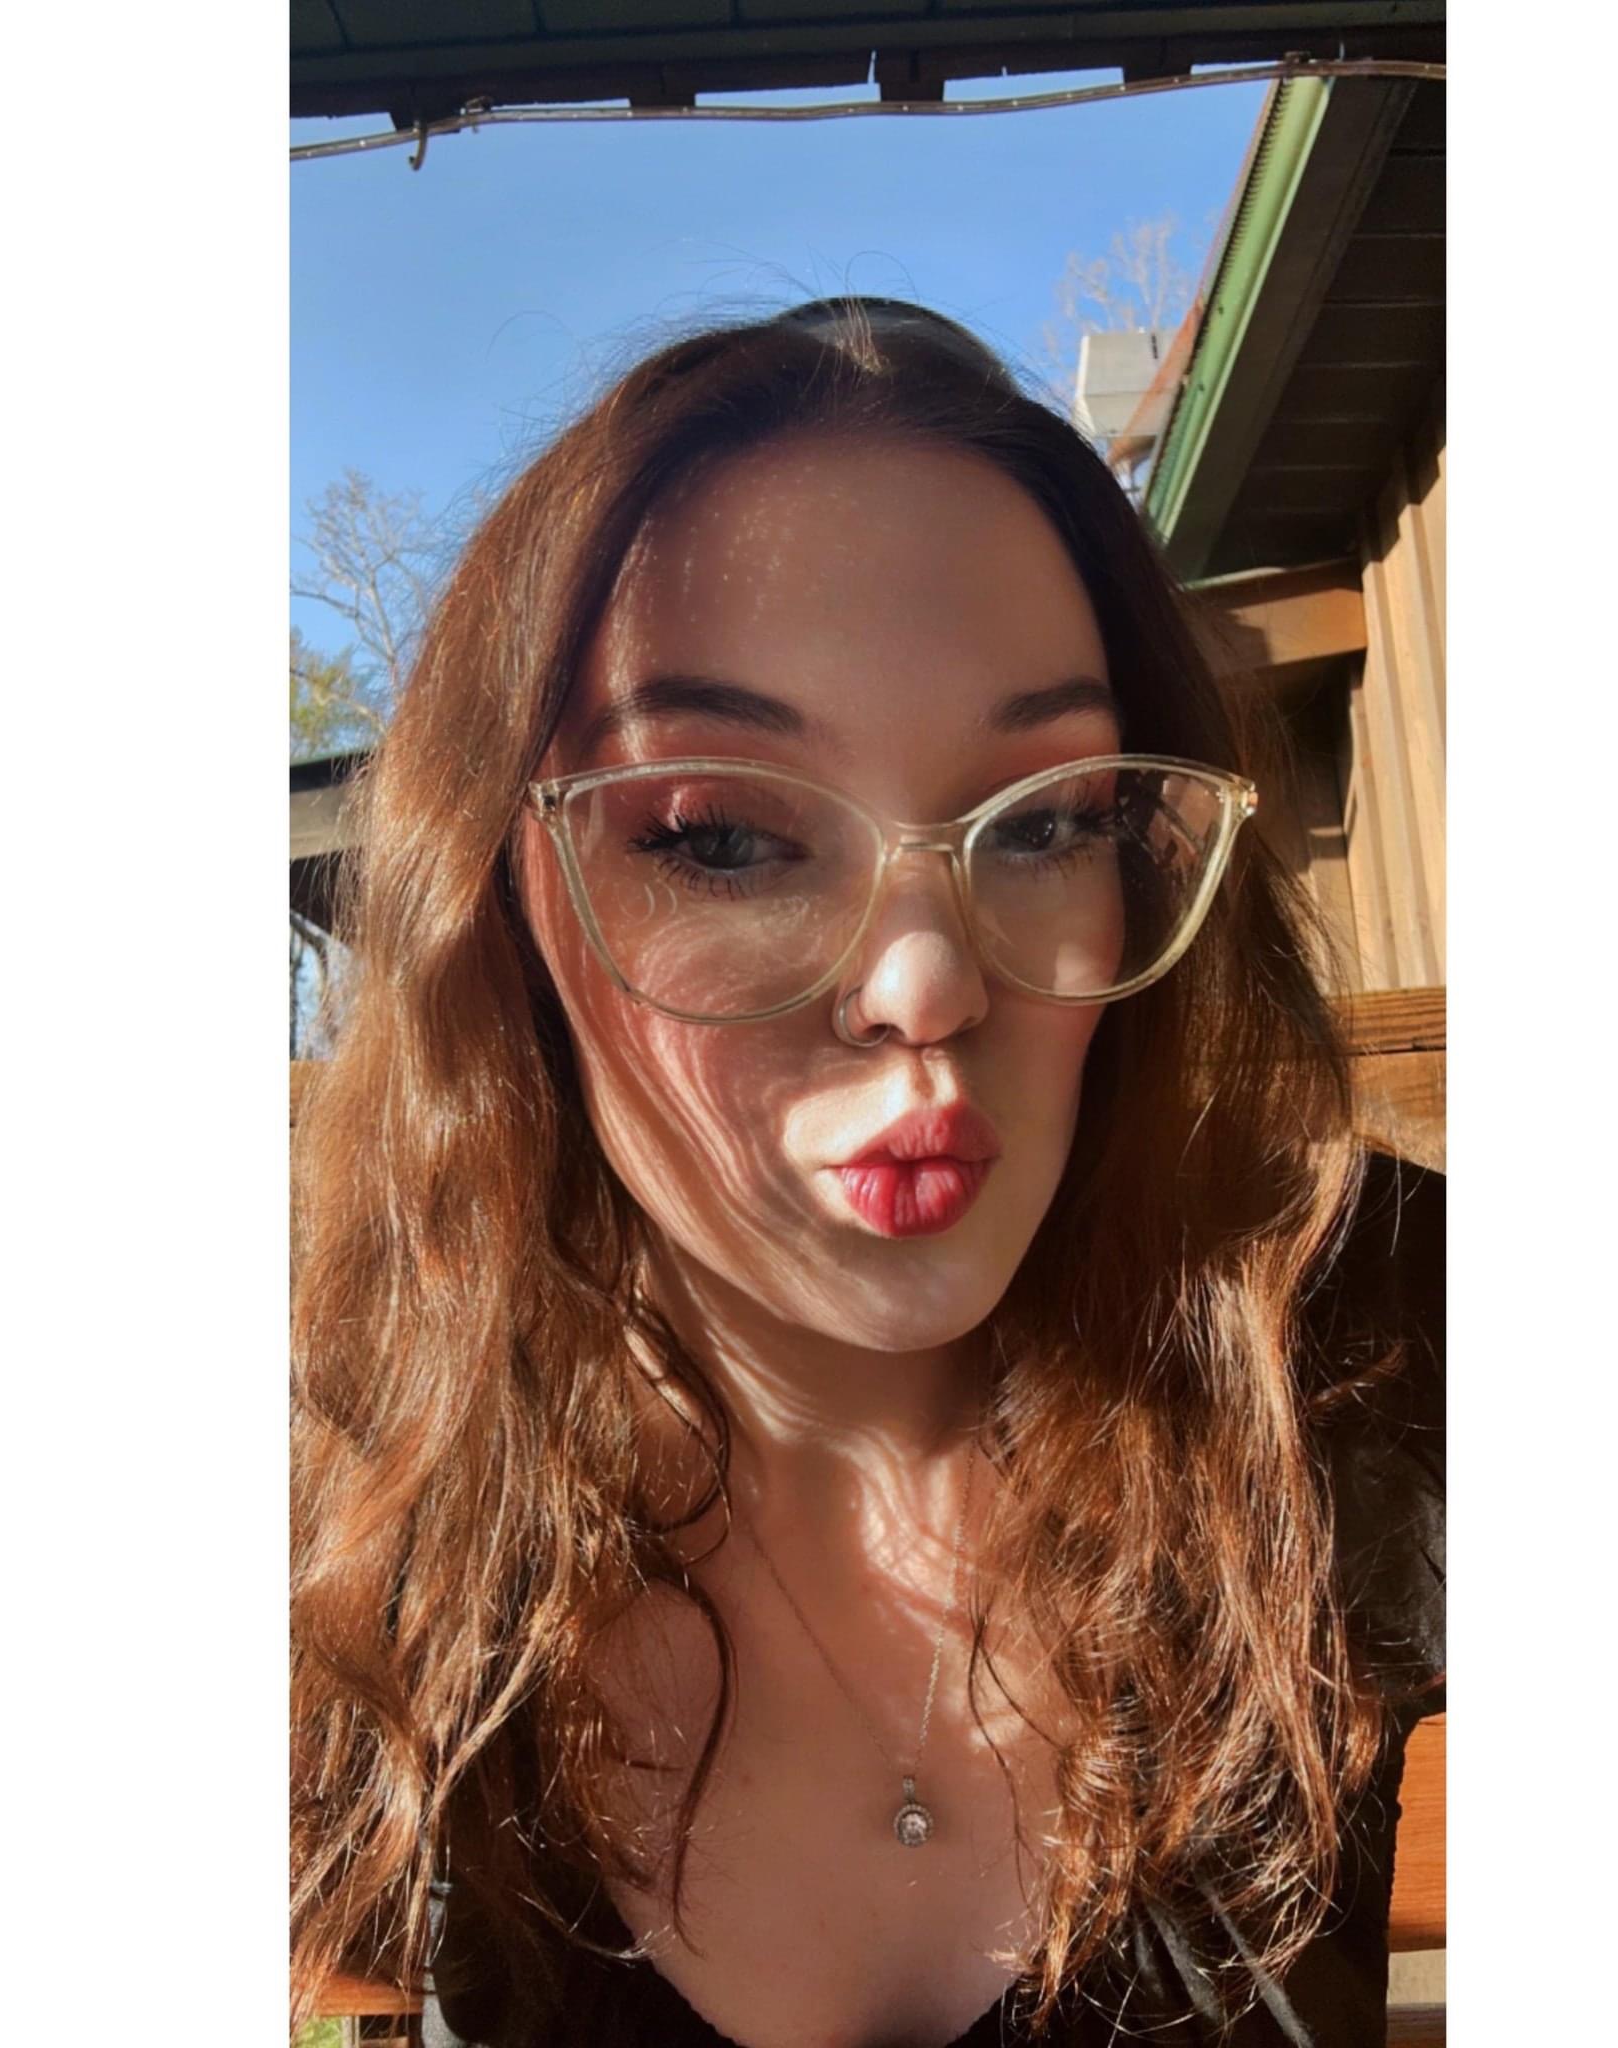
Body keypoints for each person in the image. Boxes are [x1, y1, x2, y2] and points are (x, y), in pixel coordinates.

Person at [289, 297, 1444, 2048]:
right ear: (506, 908)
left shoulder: (1355, 1335)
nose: (926, 983)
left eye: (1048, 821)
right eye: (723, 838)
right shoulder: (364, 1516)